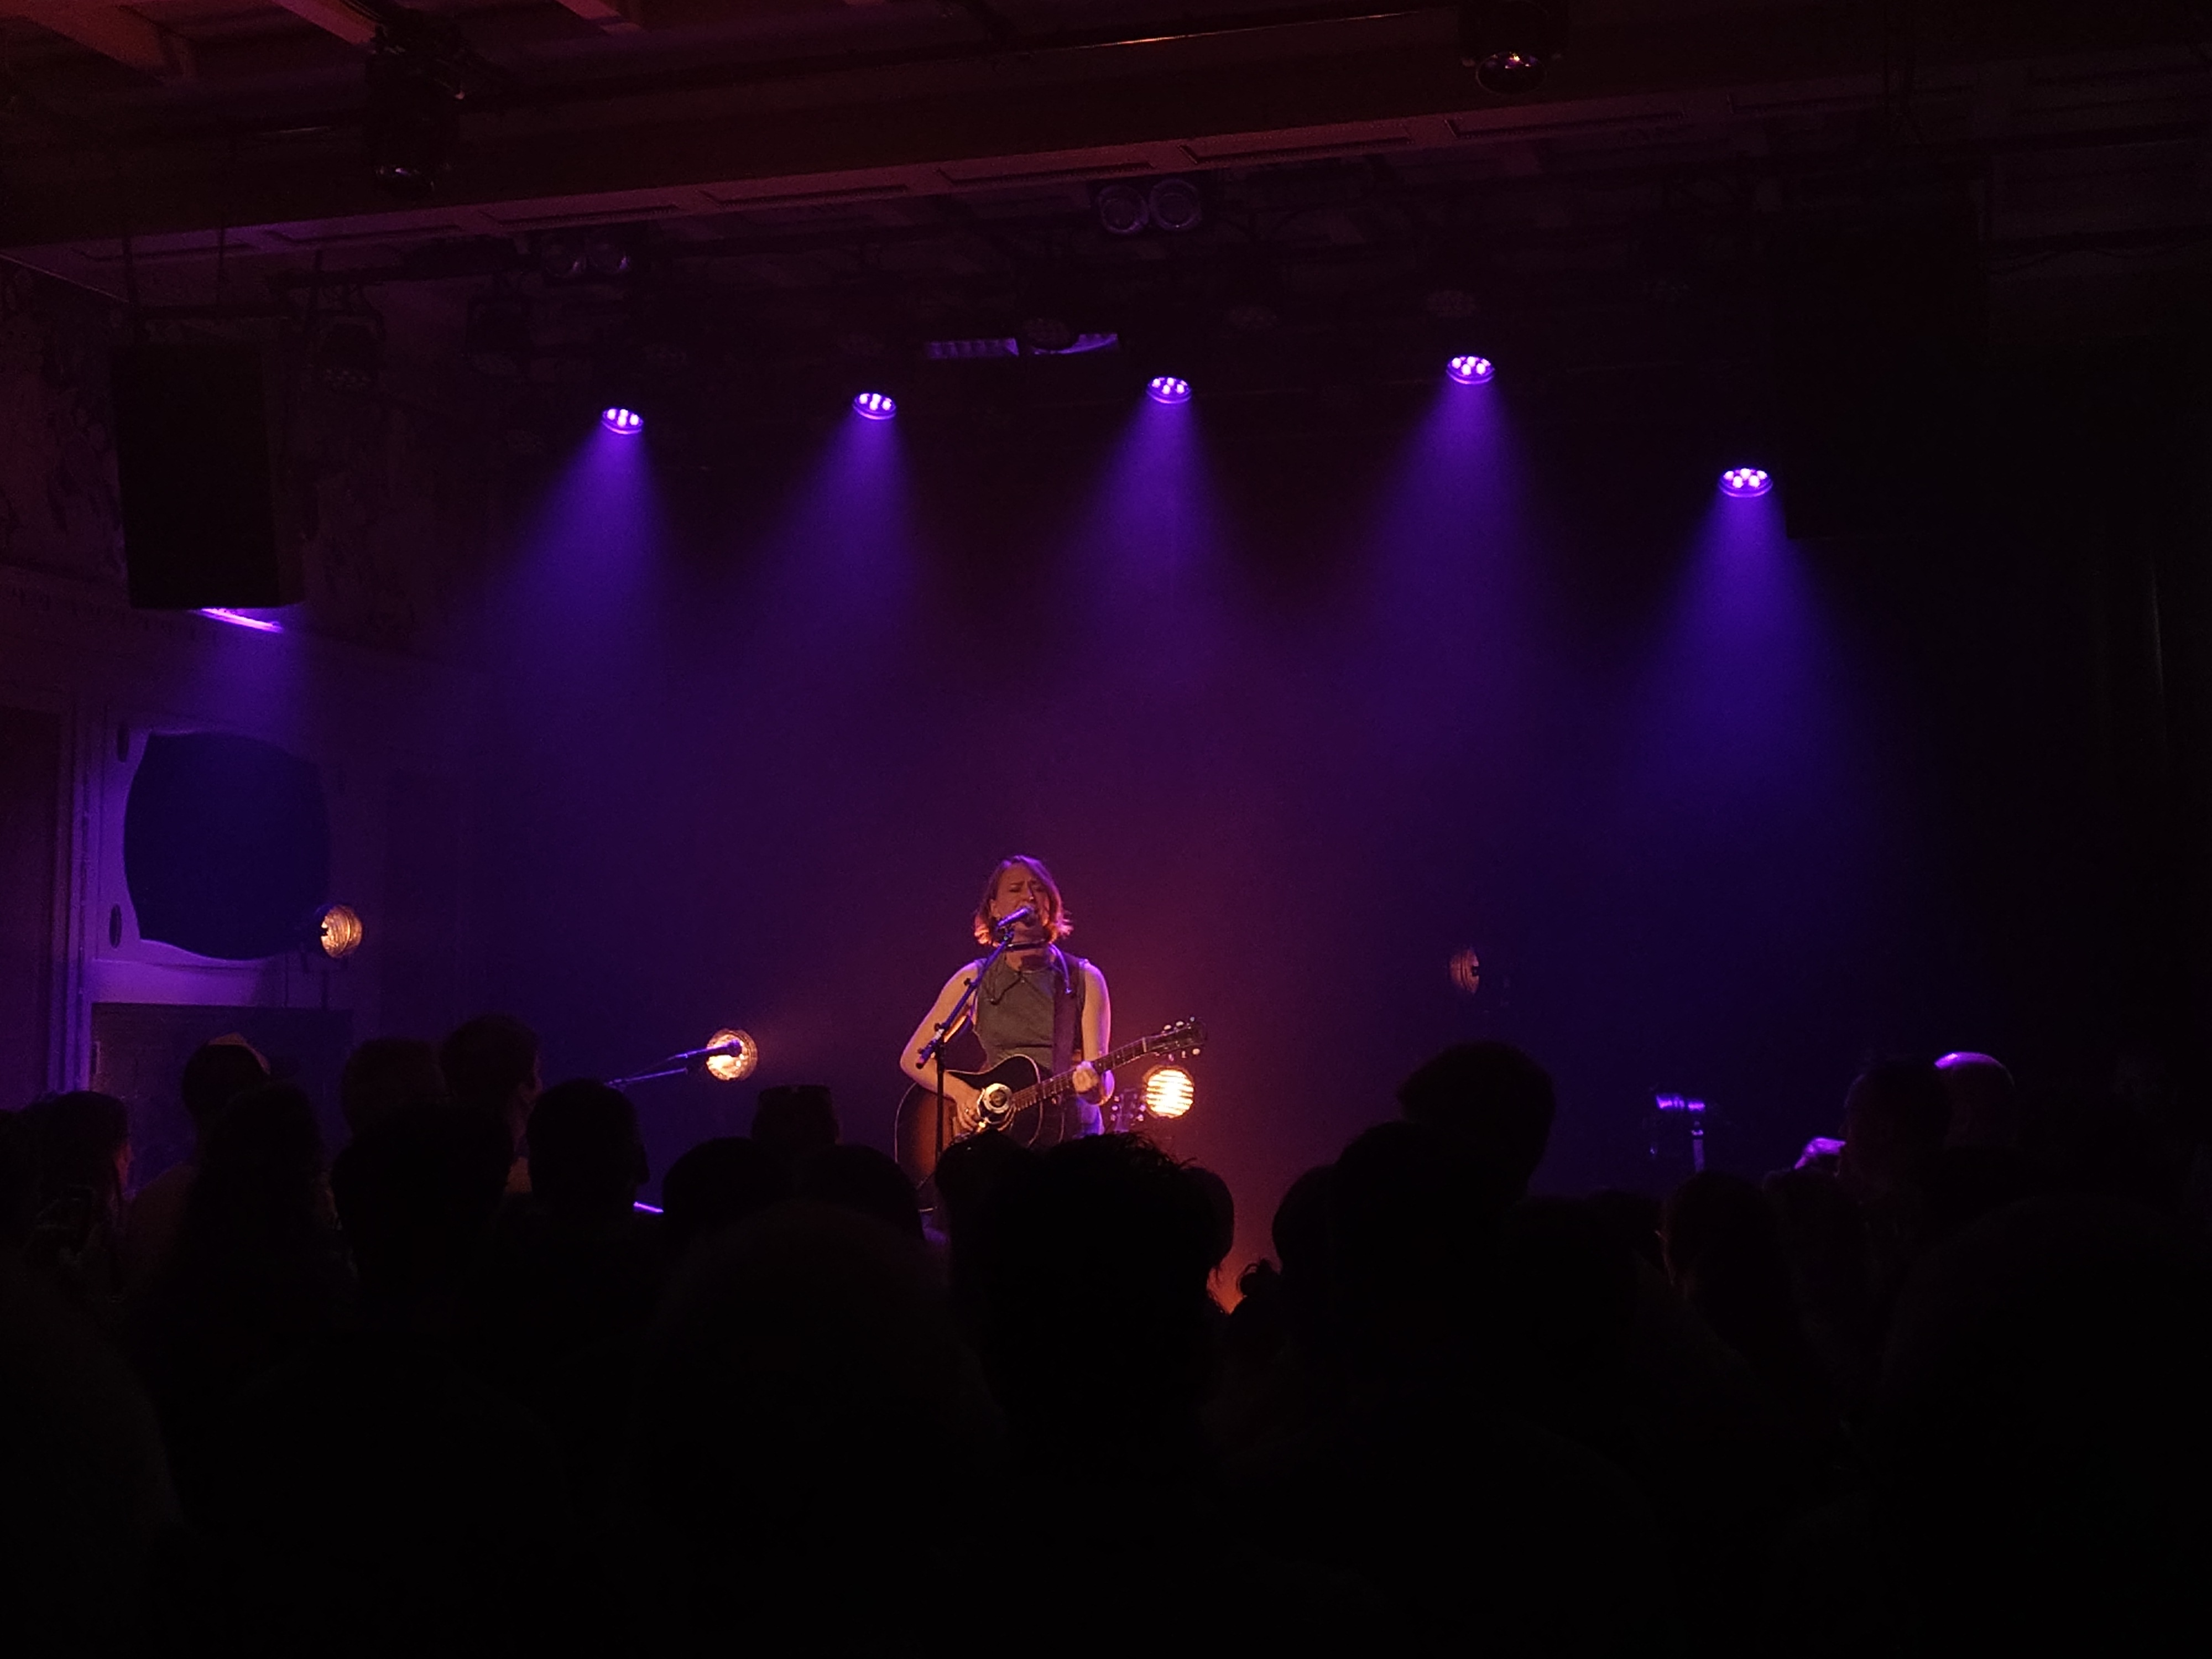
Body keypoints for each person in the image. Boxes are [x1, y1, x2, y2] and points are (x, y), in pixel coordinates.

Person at [899, 855, 1113, 1145]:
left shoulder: (1084, 978)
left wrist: (1094, 1088)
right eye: (1015, 889)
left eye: (1038, 889)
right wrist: (963, 1094)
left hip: (1068, 1138)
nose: (1029, 896)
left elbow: (1102, 1076)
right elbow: (914, 1059)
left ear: (1051, 905)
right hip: (1002, 1138)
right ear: (994, 908)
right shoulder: (975, 978)